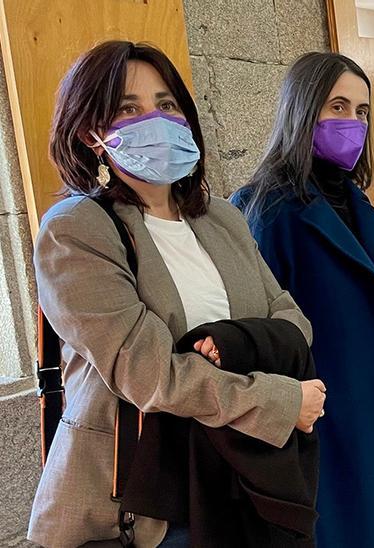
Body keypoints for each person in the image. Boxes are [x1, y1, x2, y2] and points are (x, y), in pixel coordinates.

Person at [28, 40, 324, 548]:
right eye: (128, 108)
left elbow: (291, 319)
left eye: (166, 104)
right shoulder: (76, 231)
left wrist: (230, 345)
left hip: (243, 476)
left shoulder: (221, 217)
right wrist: (280, 399)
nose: (155, 119)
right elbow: (151, 375)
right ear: (89, 133)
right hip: (149, 501)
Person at [231, 53, 374, 547]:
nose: (352, 122)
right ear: (302, 111)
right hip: (329, 423)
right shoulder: (268, 212)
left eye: (361, 111)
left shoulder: (355, 203)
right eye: (337, 107)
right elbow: (262, 338)